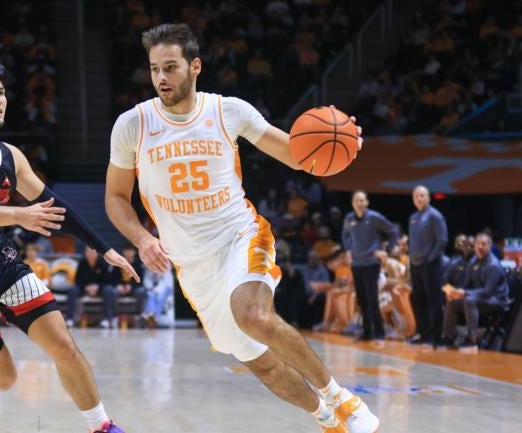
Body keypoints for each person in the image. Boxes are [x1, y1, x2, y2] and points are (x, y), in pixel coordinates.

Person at [104, 23, 378, 433]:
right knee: (262, 363)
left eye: (171, 67)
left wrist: (344, 142)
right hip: (192, 265)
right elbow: (115, 198)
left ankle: (342, 399)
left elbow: (298, 155)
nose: (161, 78)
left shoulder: (228, 111)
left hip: (239, 235)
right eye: (155, 69)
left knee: (252, 314)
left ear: (195, 66)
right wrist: (142, 239)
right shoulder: (133, 125)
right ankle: (326, 418)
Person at [0, 54, 135, 433]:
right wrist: (21, 215)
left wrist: (104, 248)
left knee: (63, 345)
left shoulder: (11, 156)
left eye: (1, 92)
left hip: (1, 263)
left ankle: (101, 426)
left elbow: (55, 208)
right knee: (4, 380)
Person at [342, 190, 397, 343]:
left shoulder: (375, 218)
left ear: (367, 202)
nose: (359, 204)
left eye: (362, 201)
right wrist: (348, 250)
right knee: (362, 300)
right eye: (356, 201)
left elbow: (393, 232)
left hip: (372, 264)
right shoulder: (349, 218)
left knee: (372, 299)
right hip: (356, 264)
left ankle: (379, 333)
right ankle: (367, 332)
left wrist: (386, 250)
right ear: (353, 203)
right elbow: (345, 235)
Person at [442, 232, 509, 353]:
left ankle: (472, 341)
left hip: (497, 299)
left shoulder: (493, 265)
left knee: (469, 300)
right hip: (480, 297)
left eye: (484, 244)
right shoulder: (474, 262)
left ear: (490, 246)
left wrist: (465, 293)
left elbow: (488, 291)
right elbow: (467, 285)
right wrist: (456, 293)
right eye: (478, 243)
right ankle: (449, 337)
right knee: (452, 301)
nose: (480, 247)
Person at [408, 185, 448, 348]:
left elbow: (442, 240)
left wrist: (430, 258)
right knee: (419, 301)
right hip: (415, 264)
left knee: (433, 301)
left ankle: (436, 336)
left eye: (422, 195)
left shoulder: (435, 216)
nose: (419, 198)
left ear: (428, 198)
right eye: (416, 196)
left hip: (430, 264)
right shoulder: (413, 217)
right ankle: (424, 335)